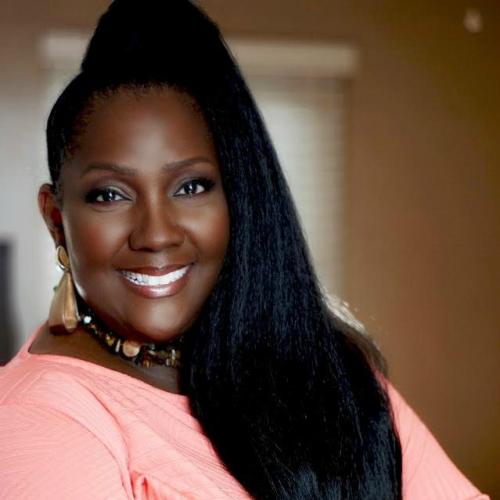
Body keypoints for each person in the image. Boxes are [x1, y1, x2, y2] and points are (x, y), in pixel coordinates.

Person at [0, 1, 490, 499]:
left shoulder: (327, 373)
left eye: (191, 187)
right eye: (110, 195)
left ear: (237, 200)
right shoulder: (38, 421)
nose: (157, 234)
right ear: (56, 220)